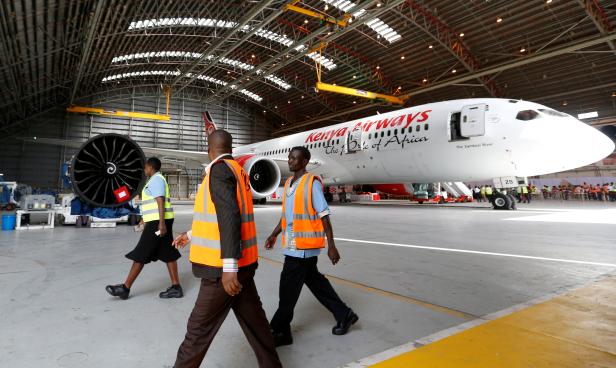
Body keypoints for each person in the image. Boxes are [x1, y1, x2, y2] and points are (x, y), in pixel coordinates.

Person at [172, 130, 281, 368]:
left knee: (197, 332)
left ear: (209, 149)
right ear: (230, 148)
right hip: (242, 266)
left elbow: (230, 217)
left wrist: (228, 268)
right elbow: (218, 216)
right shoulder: (237, 171)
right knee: (258, 327)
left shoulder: (218, 170)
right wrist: (191, 234)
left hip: (220, 272)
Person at [265, 146, 358, 347]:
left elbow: (325, 217)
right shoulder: (289, 183)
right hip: (292, 245)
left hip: (304, 248)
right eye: (289, 158)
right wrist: (274, 234)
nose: (291, 162)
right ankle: (344, 314)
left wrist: (331, 246)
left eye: (295, 159)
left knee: (287, 289)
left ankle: (279, 329)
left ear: (305, 161)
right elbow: (287, 216)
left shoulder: (311, 184)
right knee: (316, 282)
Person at [106, 157, 181, 300]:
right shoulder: (154, 180)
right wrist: (144, 219)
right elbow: (151, 204)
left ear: (150, 167)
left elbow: (160, 201)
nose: (144, 169)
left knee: (141, 252)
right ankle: (176, 287)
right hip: (156, 221)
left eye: (145, 167)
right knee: (168, 252)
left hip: (158, 223)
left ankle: (125, 288)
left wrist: (161, 223)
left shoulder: (156, 179)